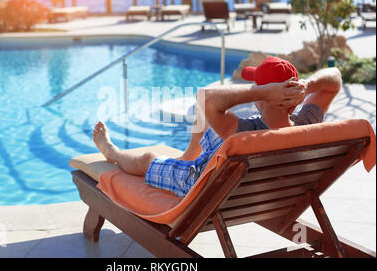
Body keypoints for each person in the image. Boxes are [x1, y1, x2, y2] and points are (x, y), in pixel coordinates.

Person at [92, 57, 343, 197]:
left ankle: (112, 152)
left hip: (211, 189)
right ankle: (190, 153)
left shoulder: (245, 132)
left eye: (257, 87)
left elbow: (206, 98)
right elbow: (334, 79)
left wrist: (263, 92)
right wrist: (307, 86)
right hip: (270, 192)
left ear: (261, 96)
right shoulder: (307, 123)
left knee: (149, 158)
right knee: (210, 125)